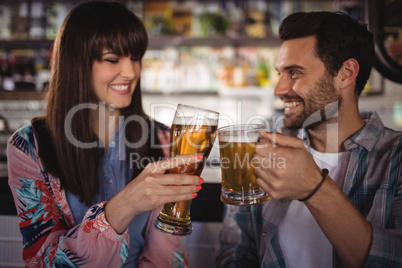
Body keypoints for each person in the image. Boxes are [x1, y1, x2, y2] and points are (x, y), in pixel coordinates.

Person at [7, 1, 203, 267]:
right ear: (76, 63)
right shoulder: (29, 146)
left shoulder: (165, 140)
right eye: (113, 59)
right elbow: (44, 261)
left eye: (135, 58)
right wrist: (123, 207)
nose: (131, 72)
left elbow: (167, 256)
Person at [217, 11, 402, 267]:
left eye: (294, 73)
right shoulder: (263, 146)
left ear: (346, 73)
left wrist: (314, 188)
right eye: (280, 72)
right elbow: (236, 251)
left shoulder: (396, 158)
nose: (279, 89)